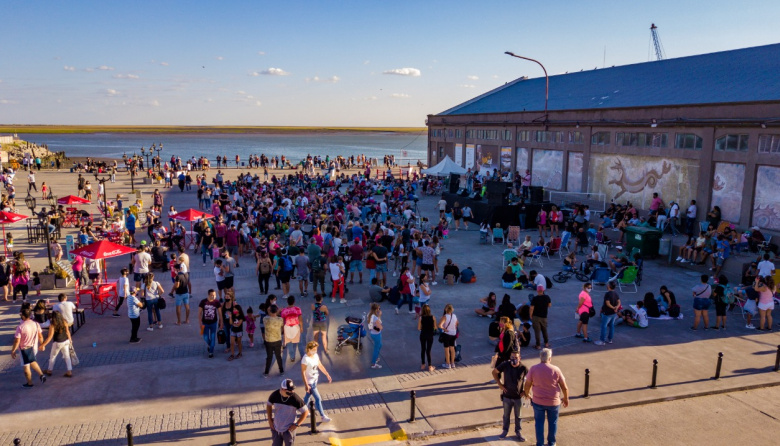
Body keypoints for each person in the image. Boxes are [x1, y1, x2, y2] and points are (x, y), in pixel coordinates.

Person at [524, 348, 569, 446]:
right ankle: (551, 443)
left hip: (538, 401)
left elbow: (527, 384)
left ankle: (540, 443)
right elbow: (564, 387)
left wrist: (527, 393)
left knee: (539, 423)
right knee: (553, 423)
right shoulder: (556, 369)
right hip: (553, 402)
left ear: (540, 357)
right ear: (550, 358)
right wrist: (566, 398)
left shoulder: (533, 368)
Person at [492, 350, 528, 442]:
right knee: (506, 415)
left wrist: (526, 391)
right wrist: (499, 384)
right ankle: (505, 431)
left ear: (520, 358)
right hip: (507, 396)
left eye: (516, 357)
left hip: (518, 397)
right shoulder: (505, 365)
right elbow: (494, 372)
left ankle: (518, 432)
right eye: (512, 357)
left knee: (518, 416)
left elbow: (530, 380)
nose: (514, 359)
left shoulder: (523, 368)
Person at [11, 307, 47, 388]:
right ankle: (41, 375)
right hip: (34, 347)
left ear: (23, 316)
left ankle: (30, 383)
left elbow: (17, 341)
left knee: (26, 366)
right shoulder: (36, 324)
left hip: (24, 349)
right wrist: (42, 344)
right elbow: (40, 336)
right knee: (32, 361)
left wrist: (13, 350)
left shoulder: (20, 327)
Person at [266, 378, 309, 446]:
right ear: (283, 389)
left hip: (289, 430)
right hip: (276, 428)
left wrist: (297, 424)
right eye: (290, 390)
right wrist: (270, 419)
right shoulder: (275, 395)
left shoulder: (295, 398)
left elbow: (305, 411)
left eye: (292, 389)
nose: (292, 392)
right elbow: (269, 405)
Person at [300, 341, 333, 423]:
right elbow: (303, 373)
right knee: (318, 398)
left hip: (315, 379)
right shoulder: (305, 359)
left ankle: (303, 410)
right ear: (309, 349)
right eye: (314, 349)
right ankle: (322, 416)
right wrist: (306, 384)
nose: (315, 351)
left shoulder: (315, 356)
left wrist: (327, 374)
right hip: (310, 382)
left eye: (316, 349)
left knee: (307, 396)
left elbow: (320, 365)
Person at [40, 311, 73, 378]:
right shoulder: (64, 321)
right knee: (67, 356)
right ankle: (69, 371)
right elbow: (67, 331)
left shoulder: (53, 324)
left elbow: (50, 336)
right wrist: (70, 340)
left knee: (53, 356)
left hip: (58, 342)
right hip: (66, 341)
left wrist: (43, 344)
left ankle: (49, 370)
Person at [199, 289, 224, 358]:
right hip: (205, 323)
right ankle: (210, 345)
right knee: (205, 337)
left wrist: (221, 322)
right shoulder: (203, 302)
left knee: (213, 337)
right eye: (212, 295)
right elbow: (199, 313)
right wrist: (200, 323)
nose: (213, 296)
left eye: (214, 295)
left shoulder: (216, 302)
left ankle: (211, 352)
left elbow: (220, 313)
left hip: (213, 323)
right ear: (208, 295)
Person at [594, 281, 620, 346]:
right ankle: (610, 339)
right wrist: (616, 307)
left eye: (608, 284)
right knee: (611, 326)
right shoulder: (615, 293)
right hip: (614, 313)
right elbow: (619, 302)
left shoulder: (607, 294)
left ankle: (602, 340)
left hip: (607, 313)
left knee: (604, 326)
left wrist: (613, 307)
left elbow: (607, 303)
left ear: (609, 286)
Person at [264, 303, 285, 377]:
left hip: (269, 340)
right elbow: (282, 329)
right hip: (277, 340)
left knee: (269, 357)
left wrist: (270, 310)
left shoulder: (265, 319)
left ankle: (266, 372)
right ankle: (281, 370)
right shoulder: (280, 319)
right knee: (278, 356)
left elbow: (268, 313)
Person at [280, 296, 303, 363]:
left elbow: (282, 321)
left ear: (287, 302)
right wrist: (301, 327)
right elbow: (300, 319)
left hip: (287, 327)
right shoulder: (297, 309)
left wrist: (282, 329)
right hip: (296, 327)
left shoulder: (284, 311)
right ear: (294, 301)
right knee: (300, 343)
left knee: (289, 343)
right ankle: (302, 355)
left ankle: (292, 357)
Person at [439, 303, 459, 369]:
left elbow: (439, 325)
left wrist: (444, 329)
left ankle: (448, 364)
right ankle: (452, 363)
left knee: (446, 350)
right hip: (453, 334)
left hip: (447, 334)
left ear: (445, 309)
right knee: (452, 349)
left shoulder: (445, 317)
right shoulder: (454, 316)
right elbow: (457, 323)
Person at [418, 304, 436, 371]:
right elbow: (435, 327)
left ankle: (423, 364)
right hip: (430, 335)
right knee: (428, 350)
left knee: (423, 349)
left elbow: (418, 328)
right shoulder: (433, 317)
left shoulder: (421, 318)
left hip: (423, 335)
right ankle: (430, 366)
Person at [368, 302, 383, 369]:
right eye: (379, 308)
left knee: (380, 345)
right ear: (377, 309)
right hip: (377, 334)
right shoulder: (375, 318)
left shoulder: (370, 315)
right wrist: (379, 316)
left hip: (372, 333)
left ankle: (376, 358)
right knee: (376, 349)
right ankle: (373, 363)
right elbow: (380, 327)